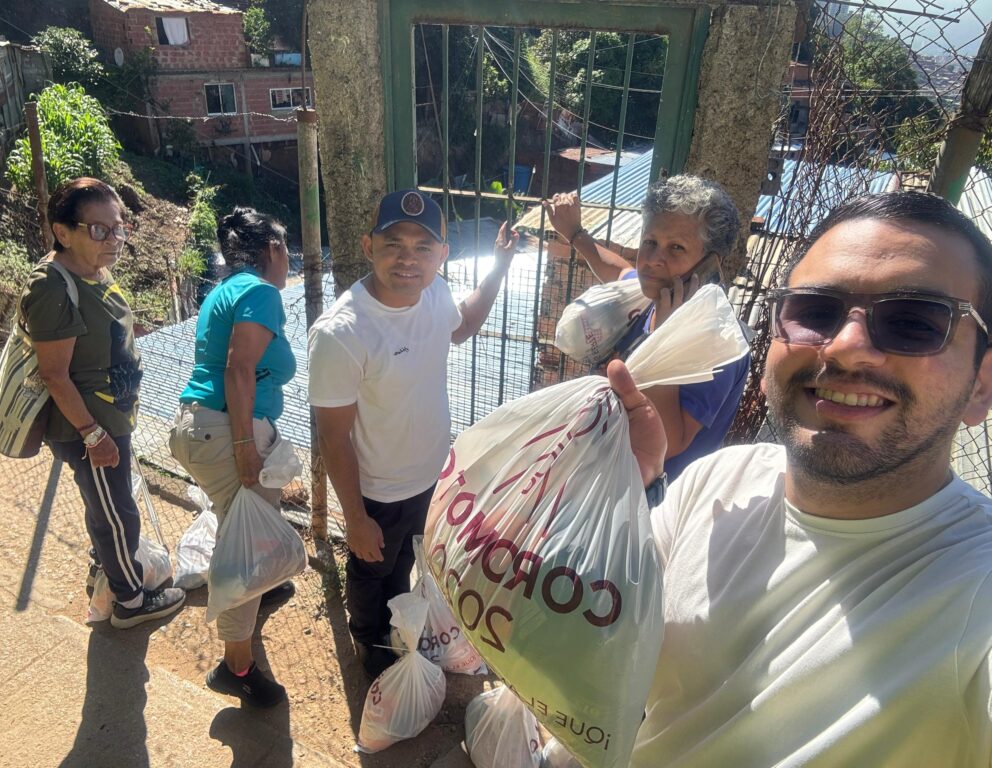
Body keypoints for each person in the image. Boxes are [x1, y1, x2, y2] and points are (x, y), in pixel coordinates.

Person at [613, 190, 992, 766]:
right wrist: (608, 488)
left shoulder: (974, 585)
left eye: (914, 322)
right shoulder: (717, 482)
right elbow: (600, 634)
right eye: (814, 312)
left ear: (982, 385)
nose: (845, 348)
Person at [307, 189, 518, 677]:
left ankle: (398, 630)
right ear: (368, 247)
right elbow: (333, 438)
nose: (408, 259)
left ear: (442, 255)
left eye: (424, 247)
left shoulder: (435, 292)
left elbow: (461, 325)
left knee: (405, 565)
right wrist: (355, 517)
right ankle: (370, 647)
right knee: (371, 568)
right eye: (394, 243)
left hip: (431, 475)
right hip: (378, 489)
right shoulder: (343, 332)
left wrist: (500, 267)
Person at [21, 177, 186, 628]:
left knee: (109, 507)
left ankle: (108, 568)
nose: (114, 240)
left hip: (110, 417)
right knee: (117, 515)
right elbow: (55, 374)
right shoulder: (53, 289)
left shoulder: (93, 270)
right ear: (63, 232)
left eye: (118, 228)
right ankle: (131, 601)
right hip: (89, 426)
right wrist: (93, 435)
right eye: (99, 230)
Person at [542, 176, 751, 483]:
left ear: (708, 265)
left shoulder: (719, 345)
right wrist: (574, 233)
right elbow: (619, 270)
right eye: (650, 242)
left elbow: (667, 443)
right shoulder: (654, 296)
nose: (653, 261)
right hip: (603, 478)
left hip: (651, 510)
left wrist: (665, 338)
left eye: (676, 248)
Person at [169, 206, 296, 708]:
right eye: (287, 249)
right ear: (271, 251)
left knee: (240, 528)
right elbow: (238, 368)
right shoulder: (260, 292)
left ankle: (258, 592)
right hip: (227, 432)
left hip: (200, 424)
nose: (289, 259)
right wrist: (245, 445)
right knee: (248, 547)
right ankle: (236, 667)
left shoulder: (224, 290)